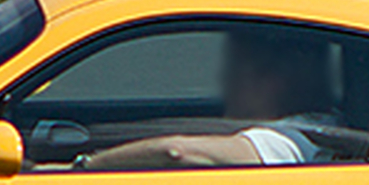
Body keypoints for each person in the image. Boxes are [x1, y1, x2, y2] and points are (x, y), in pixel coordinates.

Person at [78, 27, 340, 170]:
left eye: (235, 72)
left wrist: (85, 166)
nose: (227, 83)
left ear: (272, 80)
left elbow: (175, 152)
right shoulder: (324, 122)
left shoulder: (288, 140)